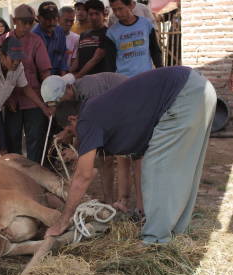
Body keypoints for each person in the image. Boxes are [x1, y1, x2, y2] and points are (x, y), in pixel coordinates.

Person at [45, 67, 217, 245]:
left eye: (70, 131)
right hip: (198, 89)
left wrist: (63, 221)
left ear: (73, 119)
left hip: (184, 94)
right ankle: (177, 234)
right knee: (183, 168)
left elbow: (83, 176)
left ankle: (156, 242)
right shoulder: (102, 114)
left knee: (155, 168)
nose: (74, 135)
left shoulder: (87, 117)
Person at [106, 0, 163, 215]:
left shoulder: (146, 26)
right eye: (115, 10)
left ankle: (145, 201)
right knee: (123, 150)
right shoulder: (112, 33)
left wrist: (161, 76)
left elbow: (156, 53)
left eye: (121, 8)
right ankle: (123, 199)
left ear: (131, 5)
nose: (118, 13)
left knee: (144, 149)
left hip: (146, 89)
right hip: (123, 90)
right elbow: (111, 66)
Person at [41, 72, 128, 204]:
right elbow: (83, 124)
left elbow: (92, 126)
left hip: (123, 107)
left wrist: (76, 151)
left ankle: (123, 202)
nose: (60, 107)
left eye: (60, 102)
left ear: (68, 89)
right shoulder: (76, 95)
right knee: (105, 158)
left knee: (121, 155)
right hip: (110, 111)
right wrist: (69, 133)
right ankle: (108, 200)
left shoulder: (89, 91)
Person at [0, 4, 52, 163]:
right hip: (11, 99)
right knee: (13, 138)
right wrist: (7, 99)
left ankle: (34, 175)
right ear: (15, 20)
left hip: (33, 98)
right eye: (24, 22)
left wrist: (48, 100)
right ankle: (16, 175)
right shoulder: (3, 40)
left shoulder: (36, 41)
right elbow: (0, 72)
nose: (28, 26)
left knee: (35, 139)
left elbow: (45, 72)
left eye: (30, 23)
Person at [71, 0, 115, 78]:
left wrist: (77, 76)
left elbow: (96, 58)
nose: (94, 17)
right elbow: (78, 58)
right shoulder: (83, 35)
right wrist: (68, 73)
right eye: (91, 14)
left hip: (102, 81)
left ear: (103, 15)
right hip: (84, 80)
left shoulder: (109, 33)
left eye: (97, 14)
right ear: (87, 15)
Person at [33, 1, 69, 76]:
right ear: (39, 18)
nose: (52, 22)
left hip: (58, 75)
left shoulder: (60, 31)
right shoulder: (34, 36)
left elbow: (62, 55)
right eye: (47, 19)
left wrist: (63, 79)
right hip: (40, 77)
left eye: (54, 18)